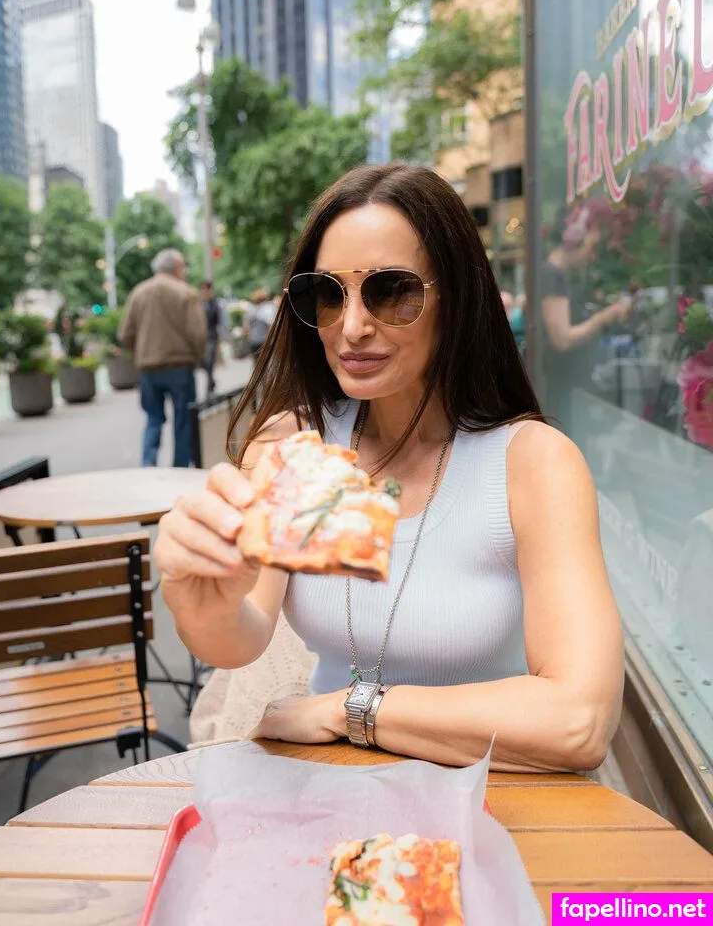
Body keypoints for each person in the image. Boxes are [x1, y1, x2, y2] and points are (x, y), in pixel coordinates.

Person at [155, 163, 623, 773]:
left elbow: (579, 720)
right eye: (327, 294)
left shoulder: (532, 463)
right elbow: (241, 638)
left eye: (392, 291)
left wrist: (351, 709)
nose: (352, 327)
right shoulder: (294, 448)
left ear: (455, 298)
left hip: (497, 797)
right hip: (328, 791)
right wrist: (202, 600)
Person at [541, 205, 631, 425]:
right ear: (573, 243)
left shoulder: (556, 276)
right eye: (591, 248)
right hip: (562, 389)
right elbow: (562, 338)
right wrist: (604, 317)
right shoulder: (552, 277)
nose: (592, 256)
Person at [118, 248, 207, 468]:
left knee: (153, 419)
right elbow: (198, 334)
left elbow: (125, 334)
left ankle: (148, 464)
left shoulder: (139, 292)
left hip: (148, 369)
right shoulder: (185, 292)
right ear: (177, 267)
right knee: (183, 421)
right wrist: (200, 357)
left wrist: (141, 352)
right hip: (180, 366)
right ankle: (180, 469)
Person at [200, 281, 225, 396]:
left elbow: (219, 321)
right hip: (201, 337)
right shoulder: (199, 303)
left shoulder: (214, 304)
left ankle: (209, 387)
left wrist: (220, 341)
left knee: (209, 361)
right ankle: (211, 381)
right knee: (203, 363)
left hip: (211, 337)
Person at [244, 288, 276, 359]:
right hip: (265, 340)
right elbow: (271, 325)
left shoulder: (251, 309)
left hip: (253, 340)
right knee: (265, 361)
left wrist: (249, 336)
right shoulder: (268, 308)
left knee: (256, 360)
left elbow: (246, 327)